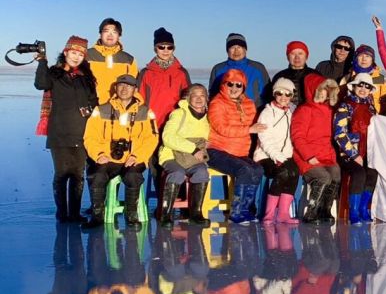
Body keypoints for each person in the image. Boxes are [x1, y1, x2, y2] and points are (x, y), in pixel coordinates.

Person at [34, 36, 99, 222]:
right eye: (73, 53)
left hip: (82, 132)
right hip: (60, 132)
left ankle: (74, 213)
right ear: (66, 52)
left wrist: (90, 111)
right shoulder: (54, 74)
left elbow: (93, 101)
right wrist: (42, 61)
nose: (76, 57)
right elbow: (41, 84)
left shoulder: (86, 77)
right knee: (62, 174)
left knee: (78, 175)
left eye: (80, 54)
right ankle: (62, 213)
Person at [82, 74, 159, 228]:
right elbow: (90, 137)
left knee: (133, 176)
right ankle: (97, 216)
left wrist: (137, 156)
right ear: (116, 88)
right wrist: (99, 154)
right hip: (107, 157)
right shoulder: (101, 110)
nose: (124, 89)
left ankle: (131, 215)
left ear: (135, 90)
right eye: (121, 85)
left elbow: (151, 139)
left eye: (129, 86)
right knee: (96, 175)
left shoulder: (145, 112)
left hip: (133, 158)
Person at [207, 69, 266, 223]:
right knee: (244, 169)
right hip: (217, 150)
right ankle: (236, 212)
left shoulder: (249, 104)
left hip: (240, 152)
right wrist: (249, 130)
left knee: (258, 169)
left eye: (238, 85)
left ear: (243, 87)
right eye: (230, 84)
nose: (234, 88)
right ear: (223, 85)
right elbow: (222, 128)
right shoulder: (217, 103)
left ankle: (247, 209)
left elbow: (258, 125)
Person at [291, 73, 342, 223]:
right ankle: (311, 211)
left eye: (327, 89)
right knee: (323, 177)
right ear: (314, 90)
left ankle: (325, 210)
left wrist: (332, 158)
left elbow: (328, 139)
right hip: (306, 156)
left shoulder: (330, 110)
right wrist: (309, 156)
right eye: (322, 89)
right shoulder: (304, 110)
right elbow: (298, 137)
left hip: (326, 154)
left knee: (336, 173)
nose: (325, 92)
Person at [158, 84, 211, 225]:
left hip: (193, 159)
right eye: (195, 95)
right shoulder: (178, 114)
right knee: (177, 173)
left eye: (202, 95)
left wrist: (207, 144)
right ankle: (166, 214)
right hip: (172, 155)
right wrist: (193, 149)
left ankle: (195, 214)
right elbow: (167, 137)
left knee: (202, 172)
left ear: (207, 98)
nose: (199, 99)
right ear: (188, 98)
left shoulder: (208, 117)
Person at [334, 73, 379, 224]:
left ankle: (363, 208)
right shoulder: (345, 106)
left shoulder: (371, 107)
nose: (363, 89)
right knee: (359, 173)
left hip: (367, 151)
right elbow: (339, 134)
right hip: (348, 153)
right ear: (353, 87)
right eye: (360, 85)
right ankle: (353, 212)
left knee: (373, 172)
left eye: (367, 86)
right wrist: (354, 155)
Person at [254, 78, 300, 225]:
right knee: (283, 172)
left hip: (284, 155)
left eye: (288, 94)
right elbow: (265, 140)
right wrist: (278, 157)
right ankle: (269, 214)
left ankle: (283, 214)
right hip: (265, 156)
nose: (283, 97)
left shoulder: (291, 113)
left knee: (294, 172)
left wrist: (288, 157)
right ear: (274, 94)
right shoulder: (267, 113)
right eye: (279, 93)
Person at [136, 27, 192, 131]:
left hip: (175, 124)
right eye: (161, 47)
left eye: (169, 47)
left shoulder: (182, 73)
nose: (165, 50)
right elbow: (139, 99)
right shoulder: (146, 73)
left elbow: (188, 99)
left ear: (173, 49)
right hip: (151, 124)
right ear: (155, 49)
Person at [87, 17, 137, 104]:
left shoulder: (129, 60)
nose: (110, 35)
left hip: (118, 106)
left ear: (119, 36)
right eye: (106, 31)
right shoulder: (87, 55)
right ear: (100, 34)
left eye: (114, 32)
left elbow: (133, 87)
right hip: (91, 104)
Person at [267, 41, 316, 106]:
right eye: (293, 53)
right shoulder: (279, 77)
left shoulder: (315, 76)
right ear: (288, 57)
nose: (297, 57)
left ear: (306, 56)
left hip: (310, 112)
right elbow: (271, 100)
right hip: (286, 112)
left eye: (300, 53)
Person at [345, 44, 386, 112]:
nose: (364, 59)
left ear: (372, 59)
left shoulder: (380, 79)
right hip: (351, 114)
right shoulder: (349, 76)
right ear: (356, 58)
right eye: (360, 55)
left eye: (367, 56)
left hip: (375, 116)